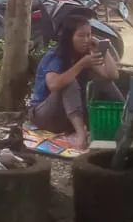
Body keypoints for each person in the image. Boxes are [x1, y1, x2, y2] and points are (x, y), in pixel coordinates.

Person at [28, 16, 120, 145]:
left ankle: (124, 120)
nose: (86, 40)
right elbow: (54, 85)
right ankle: (81, 134)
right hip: (44, 116)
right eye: (81, 36)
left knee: (104, 82)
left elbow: (111, 75)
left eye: (89, 35)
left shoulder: (85, 56)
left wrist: (103, 49)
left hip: (67, 117)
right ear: (69, 37)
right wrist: (81, 65)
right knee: (68, 82)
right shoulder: (55, 56)